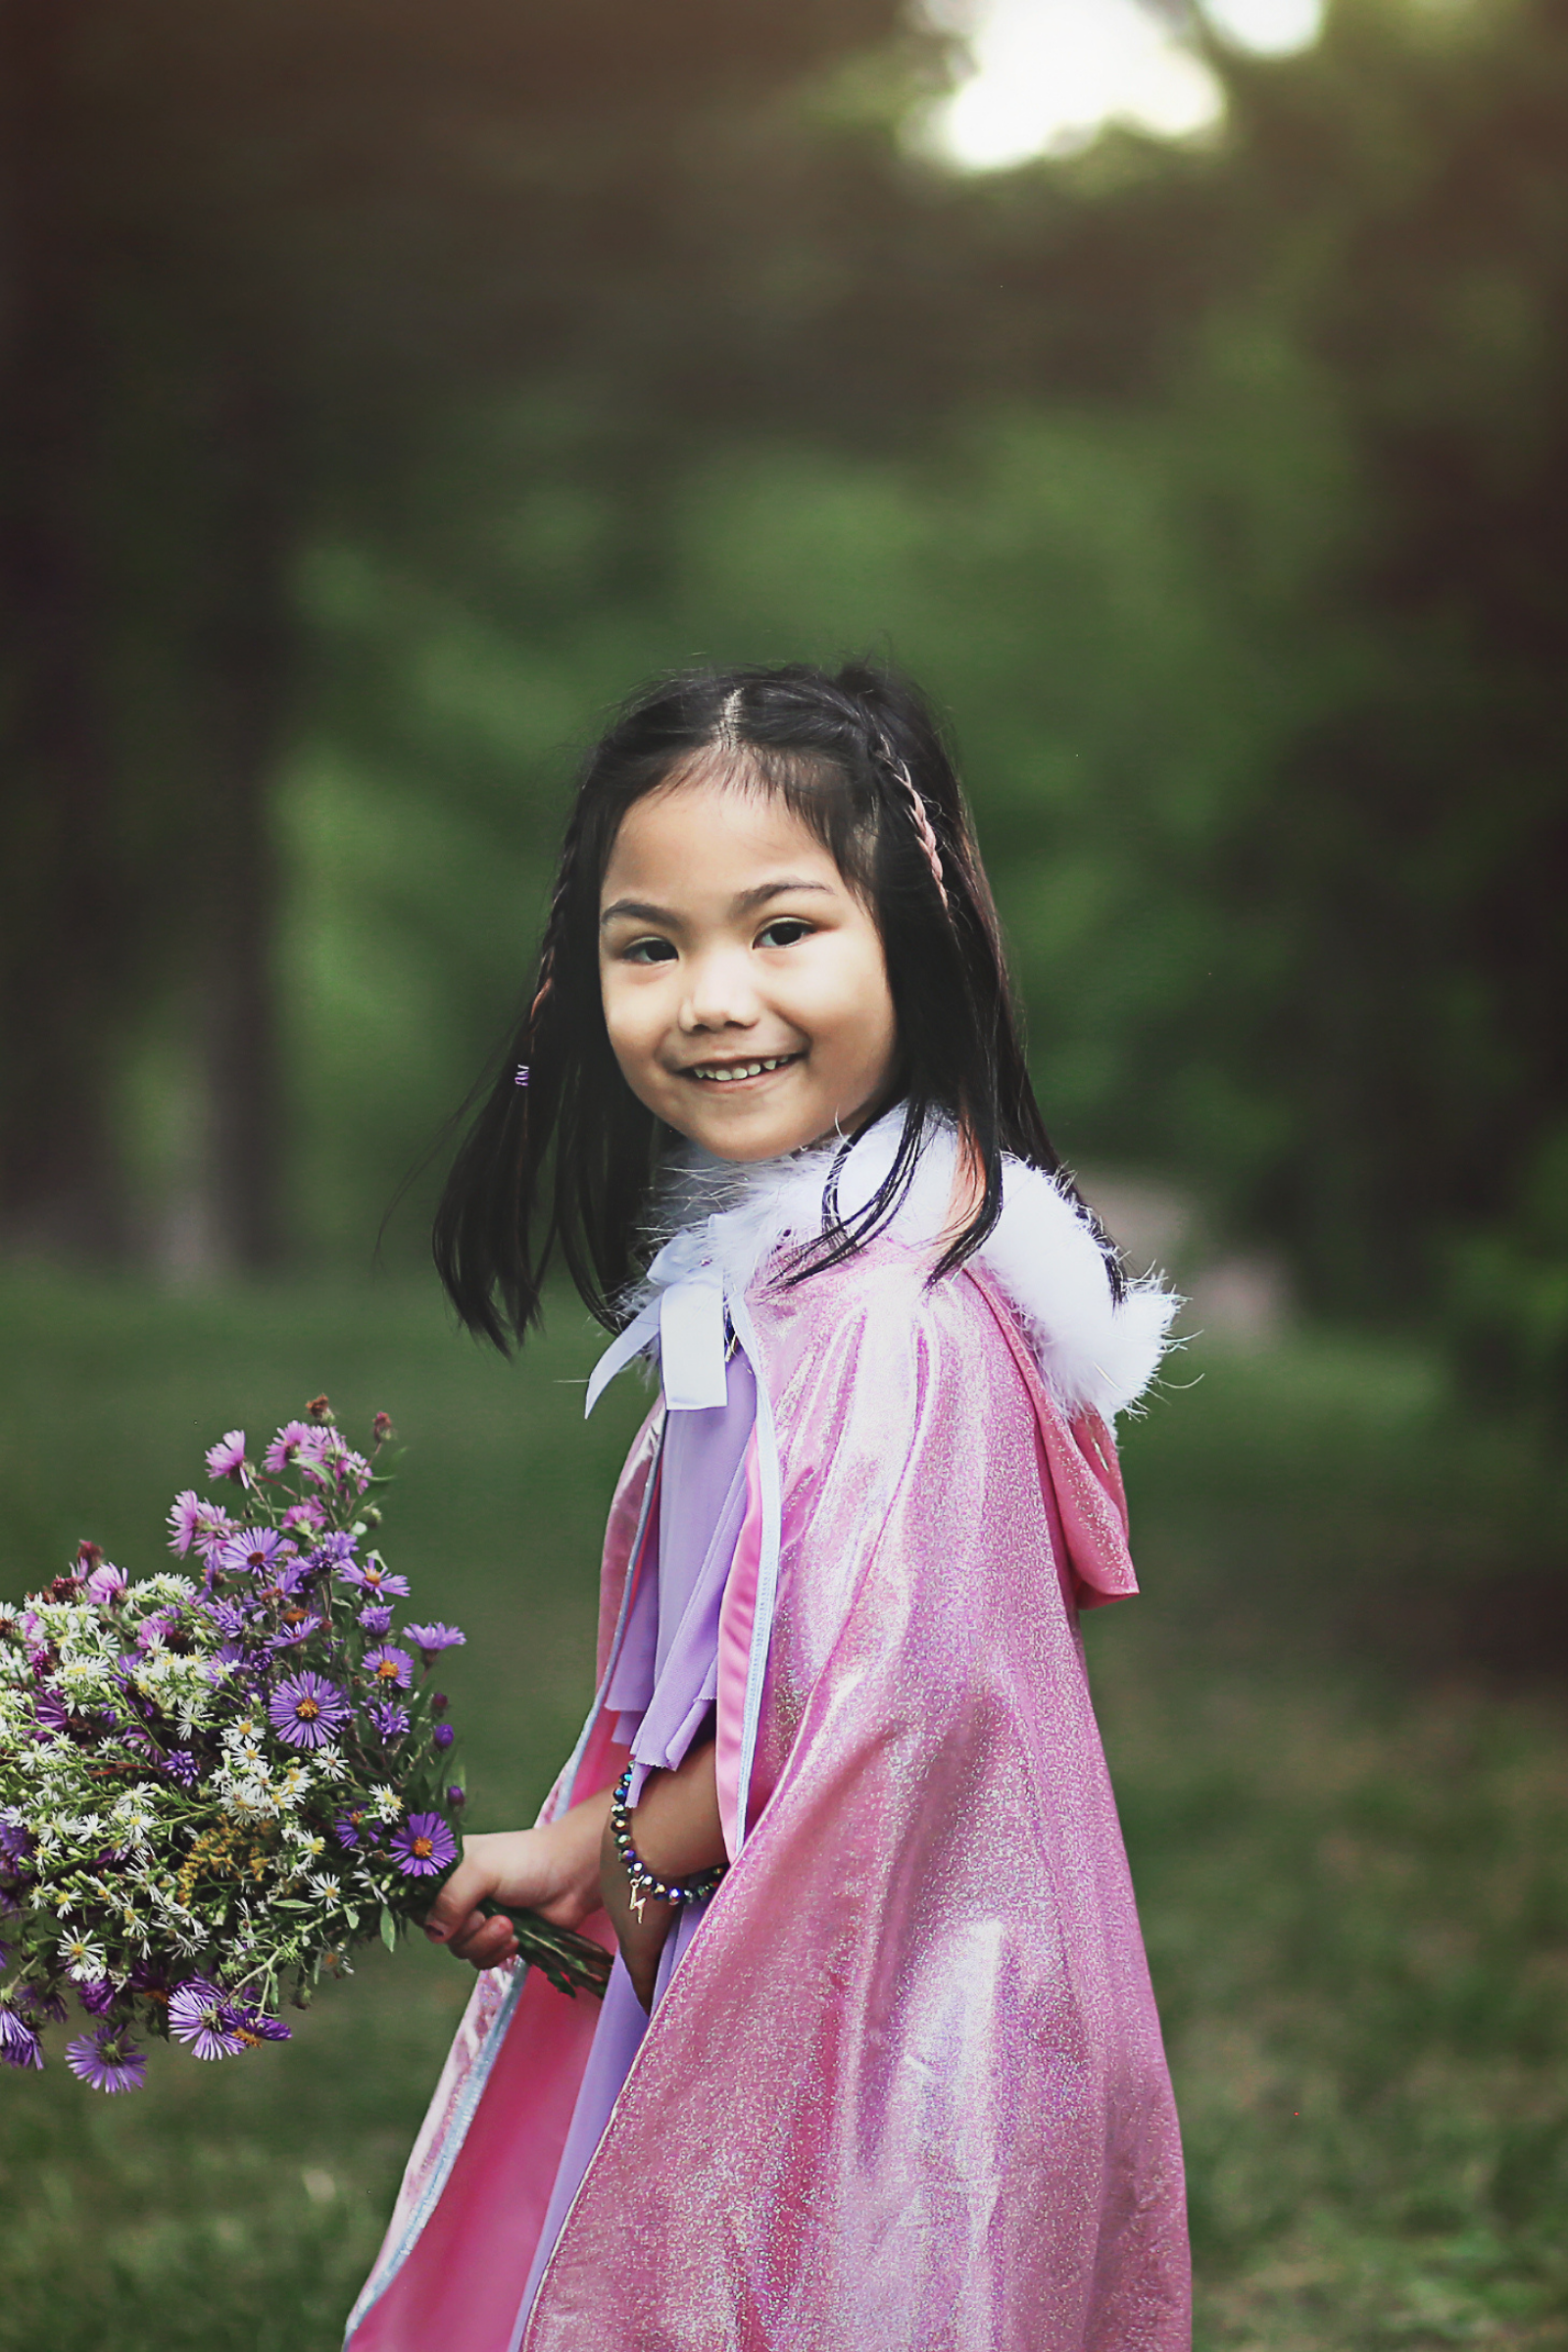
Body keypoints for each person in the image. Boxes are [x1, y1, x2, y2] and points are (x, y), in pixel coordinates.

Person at [342, 662, 1191, 2352]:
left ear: (917, 936)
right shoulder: (799, 1285)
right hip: (792, 1937)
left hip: (889, 2004)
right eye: (648, 945)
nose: (711, 997)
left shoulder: (887, 1323)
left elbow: (872, 1706)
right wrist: (604, 1862)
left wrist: (627, 1867)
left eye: (783, 928)